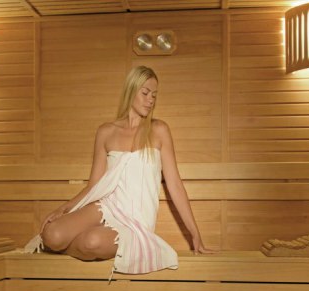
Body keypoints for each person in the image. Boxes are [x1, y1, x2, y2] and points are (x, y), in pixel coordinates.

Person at [24, 66, 212, 275]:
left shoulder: (159, 130)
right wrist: (64, 208)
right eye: (145, 93)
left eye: (154, 95)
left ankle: (63, 249)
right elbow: (94, 185)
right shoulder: (106, 132)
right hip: (106, 205)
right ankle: (57, 245)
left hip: (135, 220)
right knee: (52, 234)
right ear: (131, 90)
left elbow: (175, 185)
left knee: (91, 241)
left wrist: (194, 233)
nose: (150, 100)